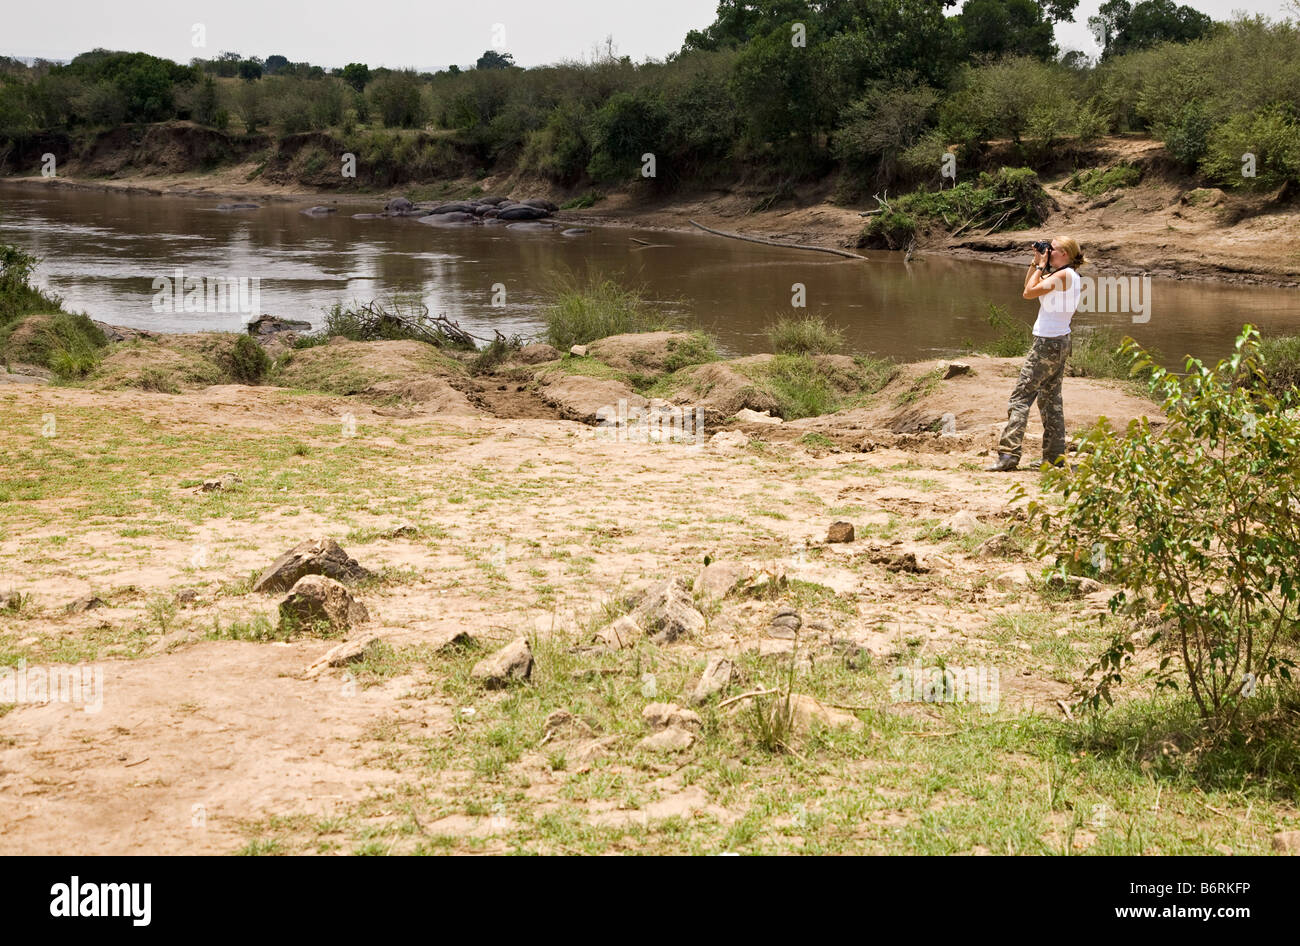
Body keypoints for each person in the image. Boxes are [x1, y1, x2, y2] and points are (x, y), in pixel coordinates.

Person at [986, 236, 1088, 472]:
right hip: (1059, 341)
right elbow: (1028, 287)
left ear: (1064, 253)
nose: (1048, 252)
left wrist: (1041, 264)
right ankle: (1054, 458)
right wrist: (1036, 261)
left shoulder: (1063, 275)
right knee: (1051, 401)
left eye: (1052, 249)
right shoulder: (1063, 275)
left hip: (1047, 343)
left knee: (1021, 398)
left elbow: (1028, 294)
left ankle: (1008, 455)